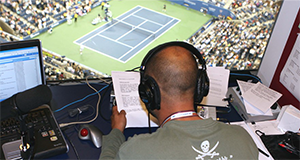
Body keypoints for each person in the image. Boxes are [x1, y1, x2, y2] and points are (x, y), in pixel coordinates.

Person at [99, 41, 258, 160]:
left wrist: (116, 132)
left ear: (149, 93)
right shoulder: (242, 138)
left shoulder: (136, 151)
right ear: (200, 88)